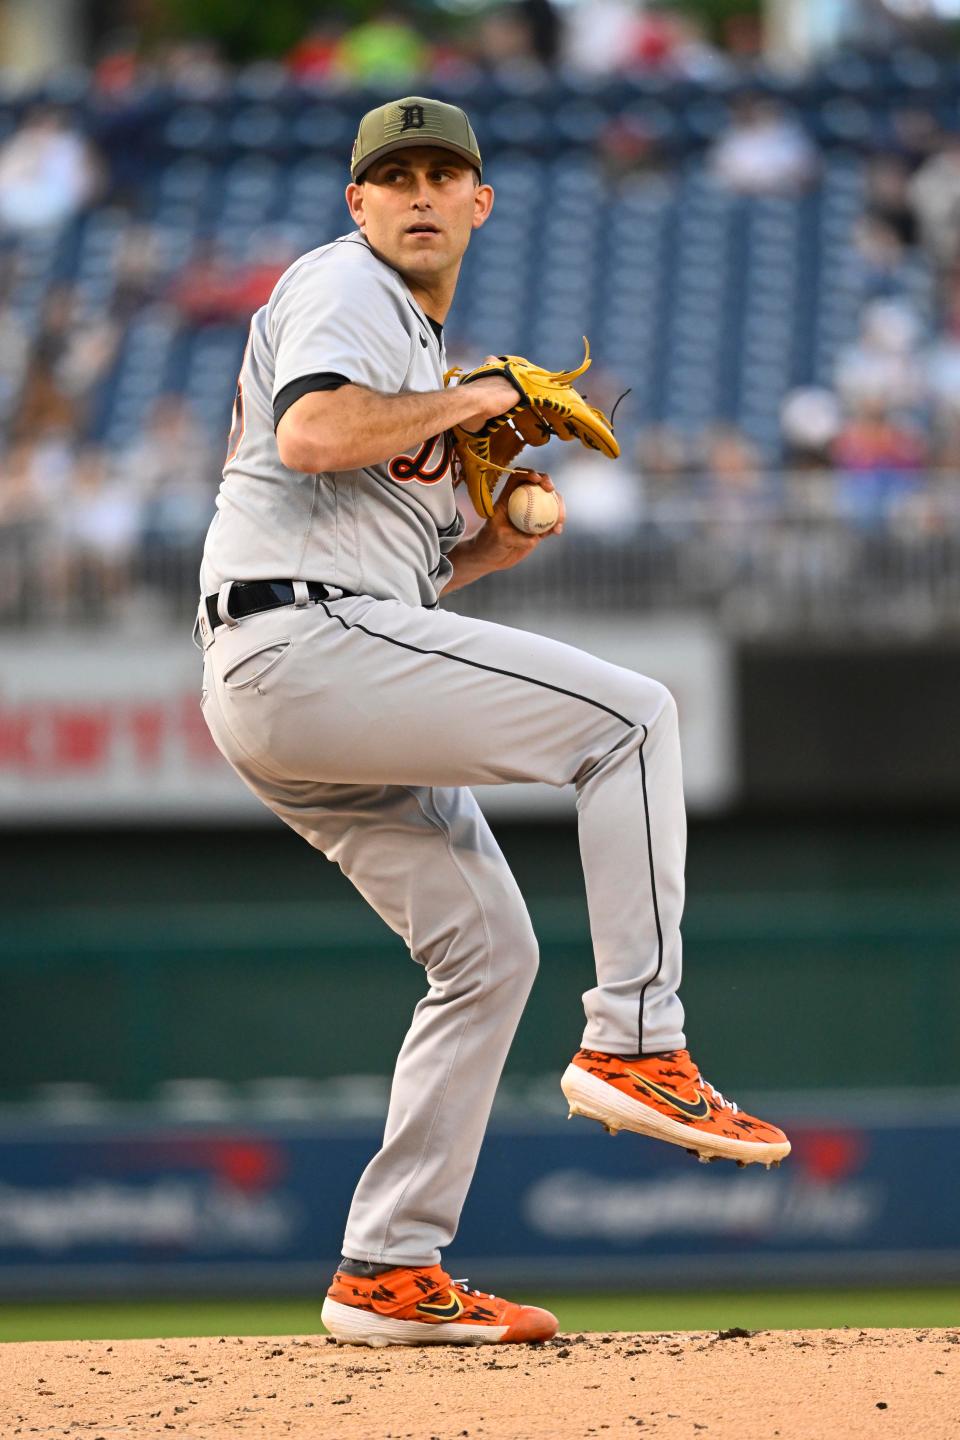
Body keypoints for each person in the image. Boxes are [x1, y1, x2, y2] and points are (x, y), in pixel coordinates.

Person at [195, 95, 790, 1349]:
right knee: (629, 721)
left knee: (488, 954)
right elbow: (309, 434)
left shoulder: (413, 349)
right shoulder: (347, 286)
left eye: (441, 175)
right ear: (357, 205)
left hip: (306, 666)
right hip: (300, 646)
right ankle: (640, 1040)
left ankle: (387, 1266)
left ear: (481, 202)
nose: (417, 194)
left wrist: (485, 544)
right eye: (392, 177)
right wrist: (470, 406)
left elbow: (401, 568)